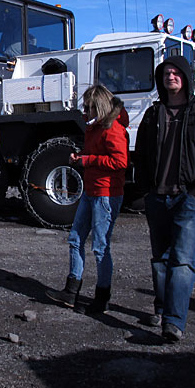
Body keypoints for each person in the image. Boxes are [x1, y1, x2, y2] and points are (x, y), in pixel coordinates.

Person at [135, 56, 195, 342]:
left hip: (188, 198)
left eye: (176, 73)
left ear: (186, 77)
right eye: (166, 73)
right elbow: (140, 154)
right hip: (157, 198)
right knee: (160, 261)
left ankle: (174, 322)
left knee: (182, 261)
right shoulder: (153, 114)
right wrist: (145, 189)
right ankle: (161, 309)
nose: (170, 77)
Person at [46, 85, 129, 313]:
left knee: (100, 246)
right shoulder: (95, 128)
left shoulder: (113, 129)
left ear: (99, 107)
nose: (86, 111)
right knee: (75, 239)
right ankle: (71, 291)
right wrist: (83, 157)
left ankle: (101, 299)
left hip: (106, 194)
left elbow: (120, 162)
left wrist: (86, 160)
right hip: (91, 191)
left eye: (89, 107)